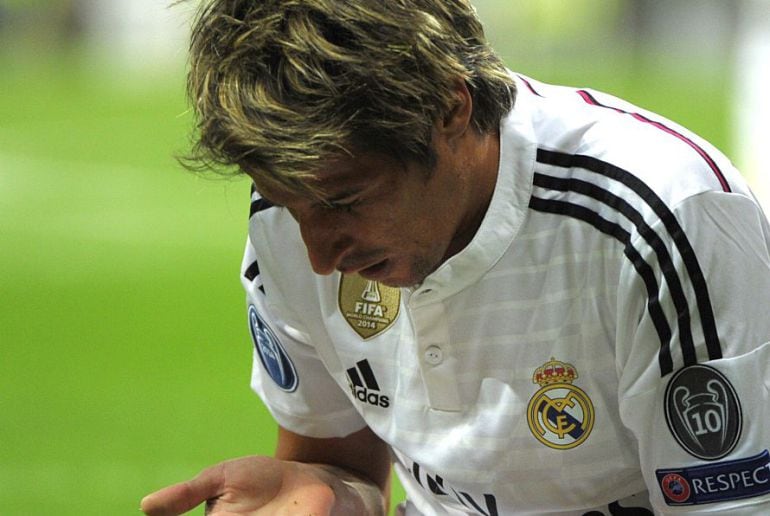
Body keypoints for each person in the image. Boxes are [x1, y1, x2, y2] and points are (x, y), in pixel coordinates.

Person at [141, 0, 770, 514]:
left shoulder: (663, 217)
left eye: (346, 201)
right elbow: (340, 464)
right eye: (287, 203)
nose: (319, 256)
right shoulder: (294, 211)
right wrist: (328, 494)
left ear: (450, 107)